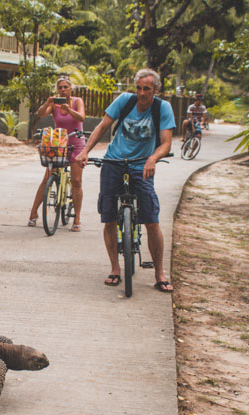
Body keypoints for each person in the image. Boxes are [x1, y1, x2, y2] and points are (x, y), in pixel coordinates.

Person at [76, 68, 175, 292]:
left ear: (156, 90)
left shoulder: (163, 108)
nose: (141, 93)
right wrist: (85, 151)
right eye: (138, 88)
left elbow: (166, 142)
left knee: (151, 219)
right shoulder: (124, 101)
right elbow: (102, 126)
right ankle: (115, 268)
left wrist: (153, 158)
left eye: (146, 89)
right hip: (114, 162)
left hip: (142, 164)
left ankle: (159, 273)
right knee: (109, 217)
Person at [28, 75, 86, 231]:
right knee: (47, 177)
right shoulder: (54, 104)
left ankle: (77, 218)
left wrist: (69, 110)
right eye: (60, 87)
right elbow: (40, 114)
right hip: (59, 144)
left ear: (70, 88)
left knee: (76, 181)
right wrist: (47, 103)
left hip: (76, 143)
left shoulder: (77, 101)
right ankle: (33, 213)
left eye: (65, 87)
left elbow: (81, 117)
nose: (63, 90)